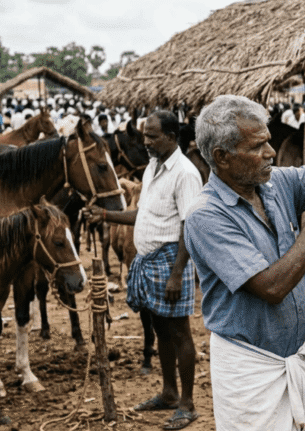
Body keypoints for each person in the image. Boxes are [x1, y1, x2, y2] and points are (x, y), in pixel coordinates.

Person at [184, 95, 305, 430]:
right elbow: (272, 288)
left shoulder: (271, 184)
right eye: (258, 146)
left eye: (268, 142)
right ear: (222, 157)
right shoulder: (206, 216)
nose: (271, 153)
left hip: (294, 355)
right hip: (250, 370)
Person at [85, 110, 202, 430]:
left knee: (180, 332)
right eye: (145, 135)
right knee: (160, 329)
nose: (146, 142)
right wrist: (105, 217)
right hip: (148, 261)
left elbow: (189, 227)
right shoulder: (152, 166)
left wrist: (178, 273)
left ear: (171, 137)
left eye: (152, 136)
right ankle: (168, 393)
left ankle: (188, 405)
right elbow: (143, 214)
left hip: (170, 261)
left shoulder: (185, 173)